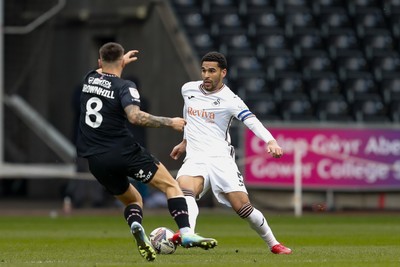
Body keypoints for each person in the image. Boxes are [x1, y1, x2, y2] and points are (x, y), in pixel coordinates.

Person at [76, 42, 217, 262]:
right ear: (122, 61)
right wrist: (170, 122)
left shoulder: (88, 79)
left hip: (95, 159)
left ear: (99, 62)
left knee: (133, 200)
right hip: (123, 152)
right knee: (171, 186)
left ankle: (135, 224)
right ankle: (187, 233)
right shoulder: (125, 86)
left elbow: (103, 69)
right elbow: (135, 116)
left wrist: (119, 60)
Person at [170, 51, 292, 255]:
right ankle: (188, 233)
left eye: (211, 71)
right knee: (185, 192)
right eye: (203, 70)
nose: (206, 75)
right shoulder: (188, 89)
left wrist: (270, 140)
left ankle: (274, 244)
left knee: (243, 208)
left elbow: (251, 121)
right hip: (195, 157)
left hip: (220, 159)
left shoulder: (230, 100)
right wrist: (184, 140)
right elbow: (187, 112)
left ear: (223, 72)